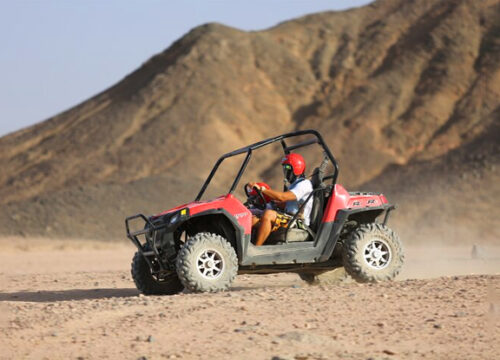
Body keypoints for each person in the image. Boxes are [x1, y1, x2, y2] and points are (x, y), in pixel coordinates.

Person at [248, 153, 313, 246]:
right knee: (253, 217)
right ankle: (242, 247)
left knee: (268, 214)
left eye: (287, 168)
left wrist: (263, 190)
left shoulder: (304, 184)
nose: (285, 172)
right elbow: (287, 204)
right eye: (284, 169)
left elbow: (282, 197)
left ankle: (256, 249)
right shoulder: (294, 185)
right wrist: (271, 204)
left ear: (296, 169)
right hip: (289, 217)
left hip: (298, 222)